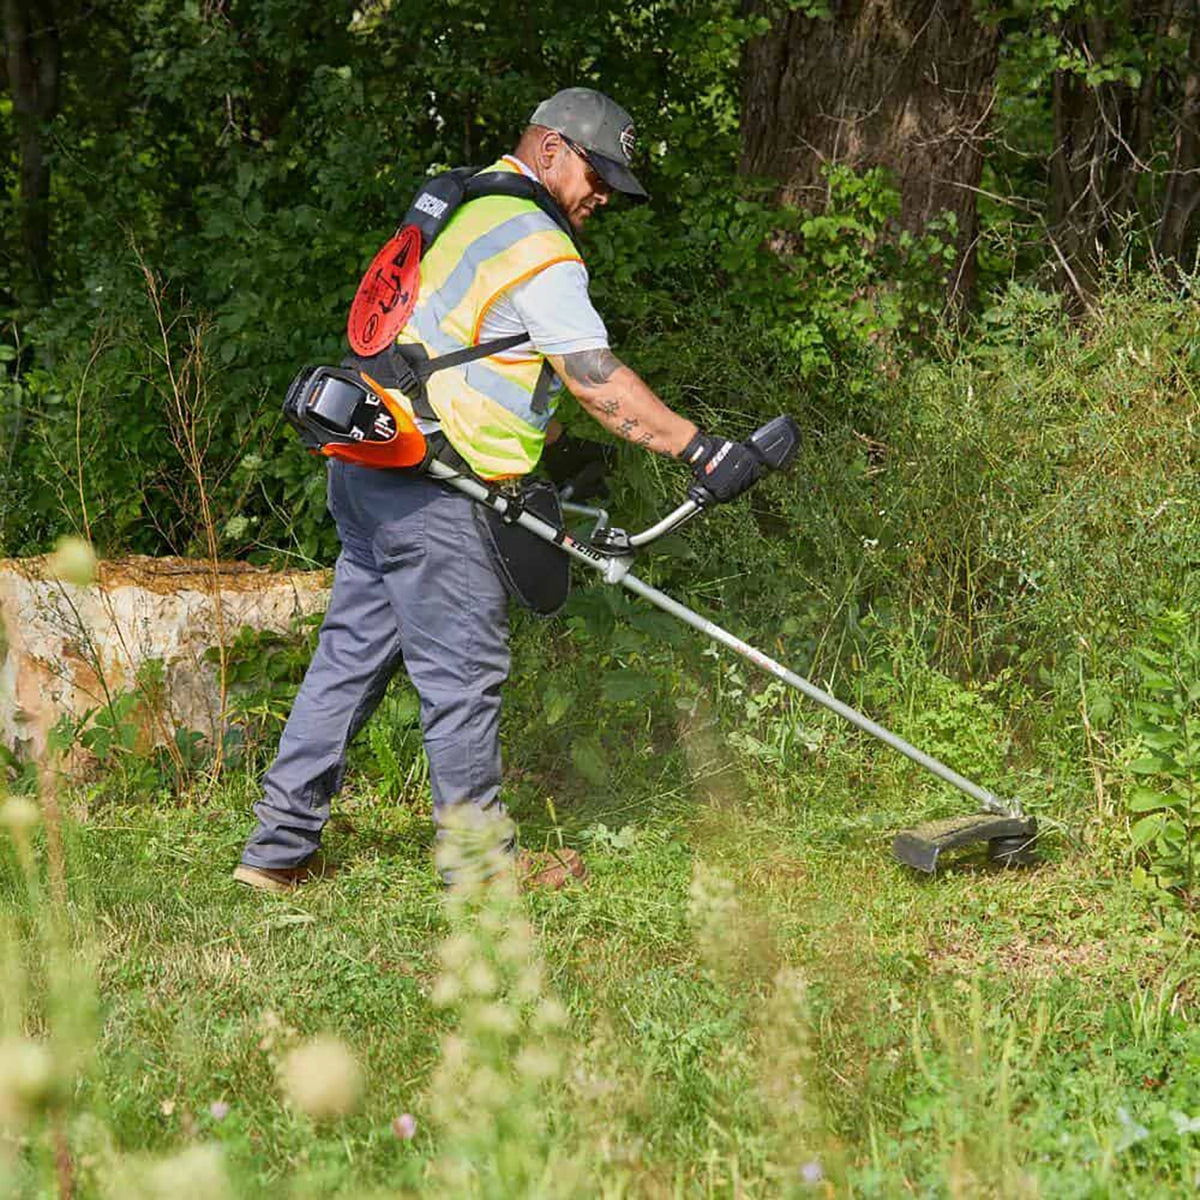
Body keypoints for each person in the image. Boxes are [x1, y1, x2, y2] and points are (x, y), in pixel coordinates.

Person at [233, 87, 762, 894]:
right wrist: (700, 449)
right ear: (551, 149)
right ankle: (479, 869)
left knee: (347, 660)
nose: (604, 197)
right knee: (463, 676)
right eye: (598, 174)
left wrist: (543, 439)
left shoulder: (464, 198)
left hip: (371, 463)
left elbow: (458, 344)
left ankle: (275, 850)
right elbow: (593, 377)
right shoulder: (535, 239)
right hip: (437, 492)